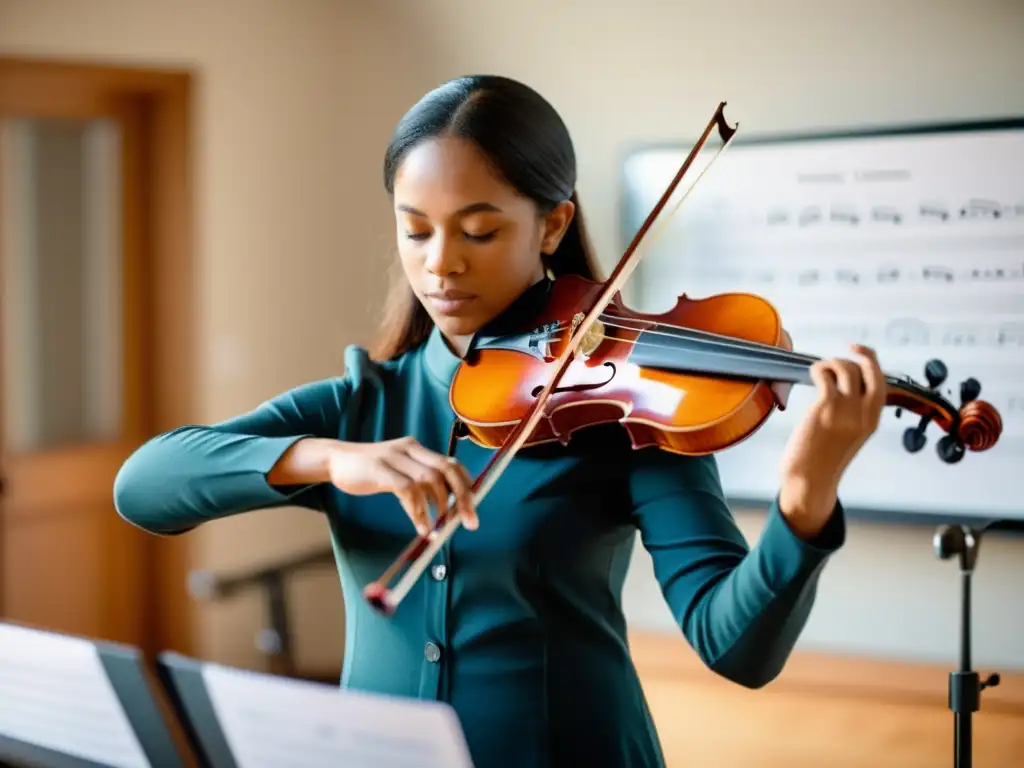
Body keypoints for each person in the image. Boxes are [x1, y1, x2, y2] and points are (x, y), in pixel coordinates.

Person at [114, 74, 886, 767]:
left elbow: (738, 648)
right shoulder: (361, 403)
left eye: (478, 231)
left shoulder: (627, 410)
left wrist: (805, 494)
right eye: (415, 229)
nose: (440, 263)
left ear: (552, 227)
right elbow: (143, 485)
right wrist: (328, 459)